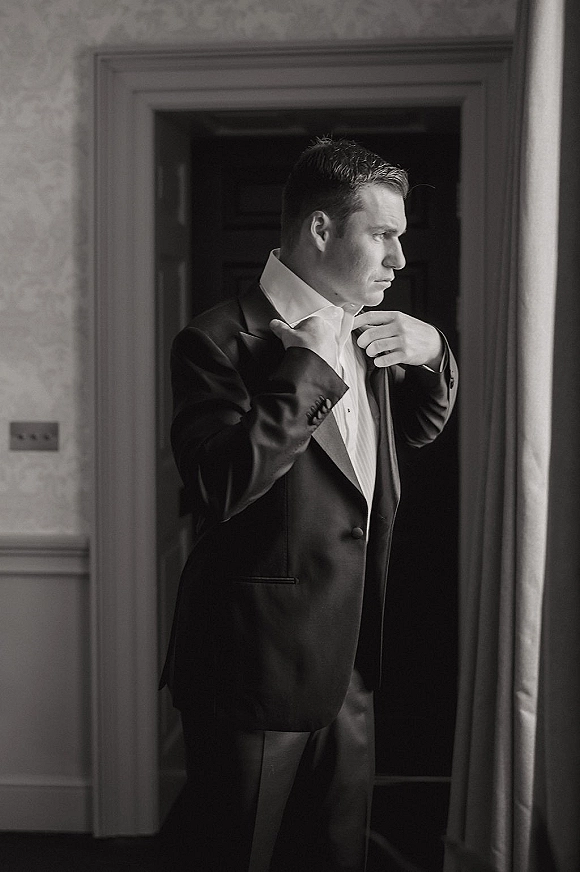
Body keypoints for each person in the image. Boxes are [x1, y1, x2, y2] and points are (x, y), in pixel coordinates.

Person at [160, 137, 458, 872]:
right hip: (252, 673)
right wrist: (309, 365)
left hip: (351, 667)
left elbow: (415, 432)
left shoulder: (371, 327)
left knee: (334, 857)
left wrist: (433, 354)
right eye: (382, 235)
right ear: (321, 229)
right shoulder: (216, 340)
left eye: (401, 238)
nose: (398, 259)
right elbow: (221, 486)